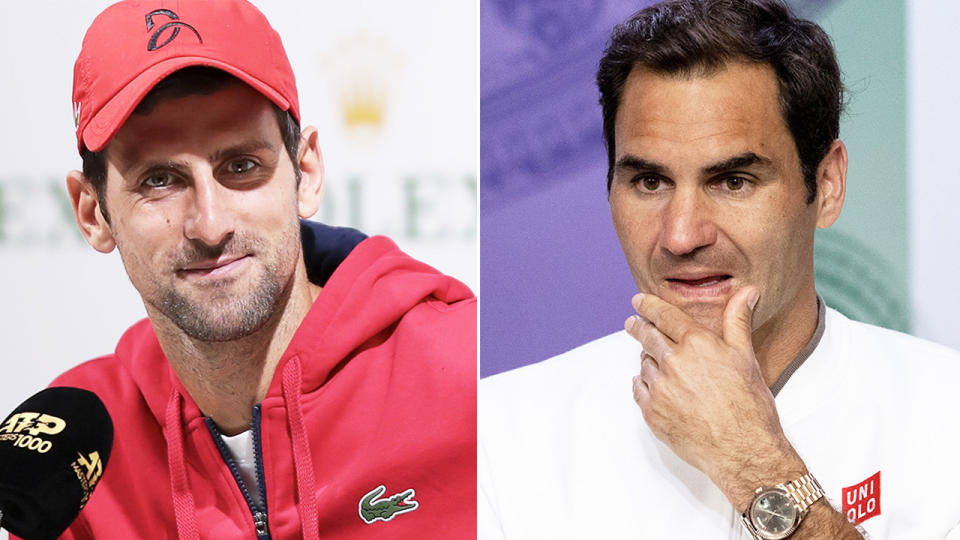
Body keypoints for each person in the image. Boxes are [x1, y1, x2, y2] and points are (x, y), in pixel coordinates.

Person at [479, 1, 960, 538]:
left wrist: (754, 463)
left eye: (733, 181)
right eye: (650, 182)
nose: (681, 236)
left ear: (826, 185)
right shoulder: (502, 435)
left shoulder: (947, 417)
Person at [19, 1, 476, 538]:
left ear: (305, 174)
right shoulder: (77, 459)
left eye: (241, 166)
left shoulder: (469, 375)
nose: (210, 226)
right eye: (160, 180)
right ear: (94, 213)